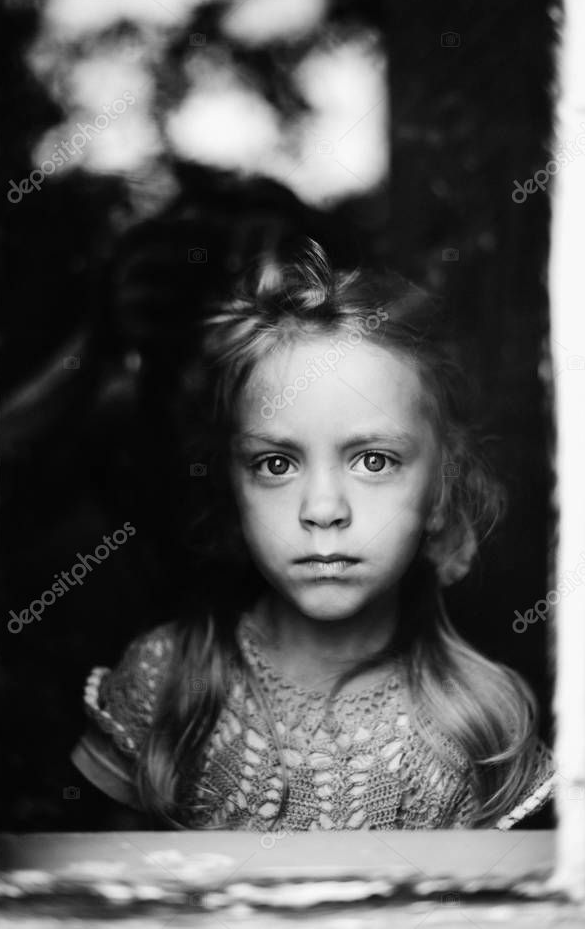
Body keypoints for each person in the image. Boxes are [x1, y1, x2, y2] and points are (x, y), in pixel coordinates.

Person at [70, 237, 554, 830]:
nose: (323, 509)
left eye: (374, 461)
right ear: (232, 488)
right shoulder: (167, 682)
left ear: (441, 491)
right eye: (276, 464)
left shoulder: (483, 723)